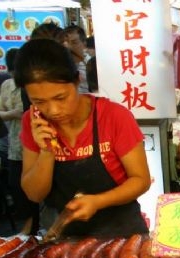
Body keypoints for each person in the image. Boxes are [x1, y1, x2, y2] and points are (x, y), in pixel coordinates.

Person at [16, 38, 151, 237]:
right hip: (64, 239)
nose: (53, 111)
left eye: (60, 98)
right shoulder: (33, 122)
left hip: (123, 235)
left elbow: (141, 180)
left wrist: (97, 201)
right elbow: (34, 195)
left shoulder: (113, 116)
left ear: (77, 80)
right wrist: (46, 151)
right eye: (38, 101)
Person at [0, 48, 38, 234]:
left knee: (40, 191)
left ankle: (36, 227)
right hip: (15, 146)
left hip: (40, 144)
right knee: (20, 188)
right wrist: (11, 114)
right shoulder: (7, 85)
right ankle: (29, 230)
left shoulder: (35, 85)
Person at [62, 25, 92, 94]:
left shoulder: (92, 65)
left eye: (74, 42)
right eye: (65, 42)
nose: (68, 46)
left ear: (84, 43)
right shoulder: (61, 66)